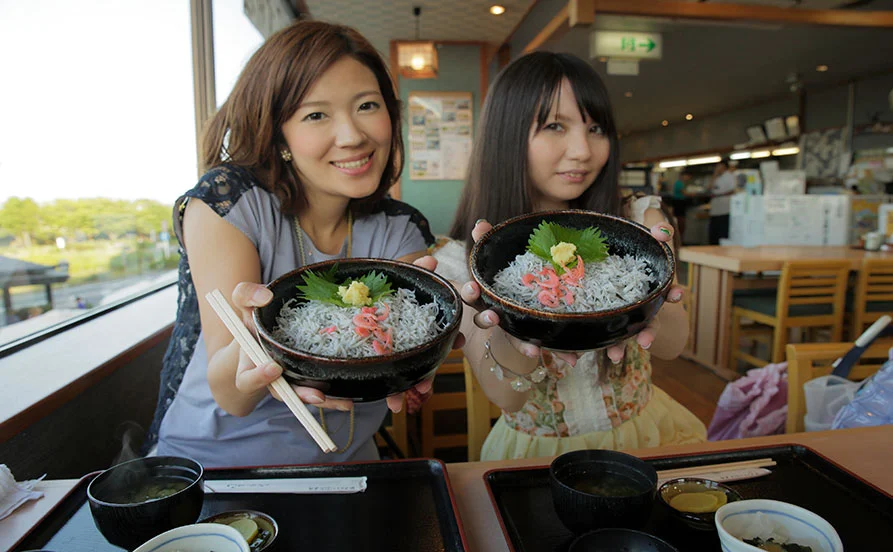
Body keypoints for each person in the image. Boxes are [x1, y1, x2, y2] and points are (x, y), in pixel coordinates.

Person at [148, 21, 444, 468]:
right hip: (214, 464)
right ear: (279, 134)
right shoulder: (229, 204)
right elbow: (232, 397)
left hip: (348, 461)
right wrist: (256, 342)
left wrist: (423, 361)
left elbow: (411, 336)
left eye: (367, 105)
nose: (352, 136)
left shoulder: (400, 228)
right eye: (316, 115)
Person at [434, 52, 706, 461]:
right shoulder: (464, 260)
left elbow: (673, 346)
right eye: (555, 126)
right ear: (505, 136)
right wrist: (505, 316)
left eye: (595, 128)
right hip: (537, 454)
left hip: (646, 438)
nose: (583, 150)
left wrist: (654, 284)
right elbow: (507, 397)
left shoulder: (636, 221)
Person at [708, 160, 737, 245]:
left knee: (723, 233)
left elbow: (734, 190)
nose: (717, 168)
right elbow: (709, 188)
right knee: (714, 235)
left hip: (725, 209)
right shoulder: (717, 177)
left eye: (718, 166)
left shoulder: (730, 176)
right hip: (715, 210)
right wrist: (715, 174)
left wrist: (719, 194)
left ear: (724, 166)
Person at [670, 172, 691, 240]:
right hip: (679, 203)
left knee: (679, 221)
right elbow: (684, 193)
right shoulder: (679, 183)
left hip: (679, 203)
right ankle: (679, 238)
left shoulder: (680, 183)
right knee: (680, 221)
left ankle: (679, 238)